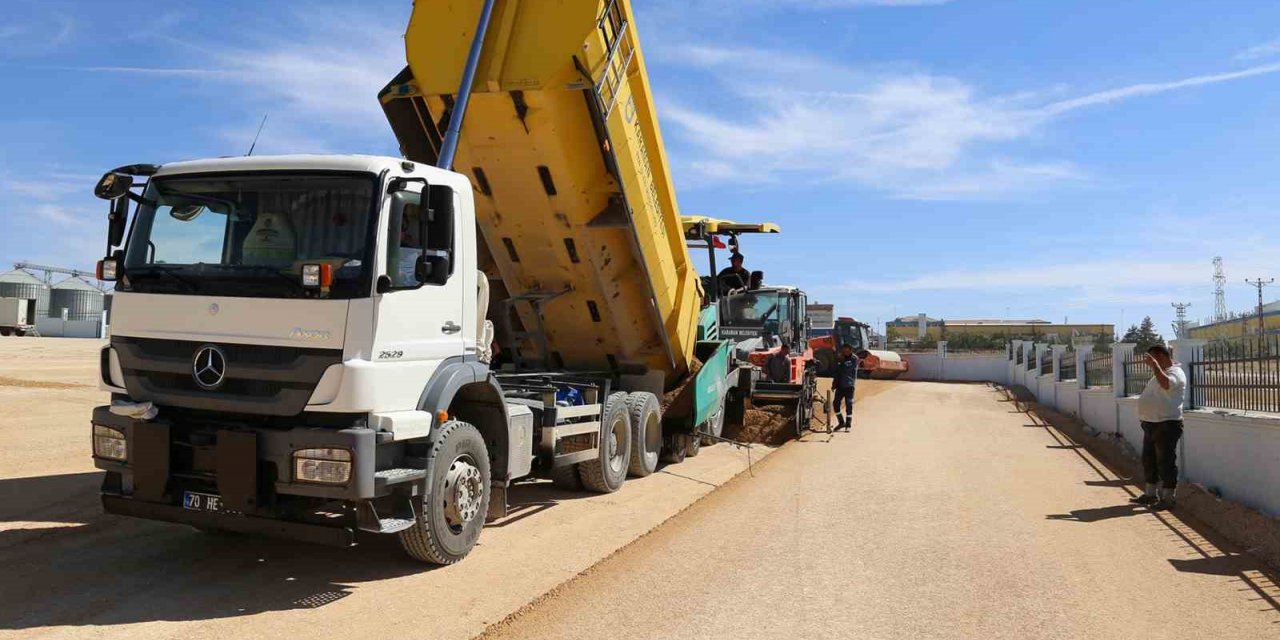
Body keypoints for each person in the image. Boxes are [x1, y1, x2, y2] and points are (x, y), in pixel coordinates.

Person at [1129, 344, 1187, 510]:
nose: (1149, 362)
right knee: (1149, 460)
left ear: (1161, 356)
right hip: (1151, 424)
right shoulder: (1159, 374)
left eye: (1152, 358)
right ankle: (1150, 494)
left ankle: (1168, 498)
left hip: (1167, 424)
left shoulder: (1176, 373)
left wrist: (1155, 366)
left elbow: (1167, 385)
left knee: (1165, 461)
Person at [832, 343, 859, 431]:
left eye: (847, 351)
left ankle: (848, 425)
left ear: (850, 350)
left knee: (849, 404)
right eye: (844, 350)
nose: (845, 352)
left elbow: (848, 368)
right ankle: (841, 422)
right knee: (835, 404)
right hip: (840, 386)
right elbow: (836, 372)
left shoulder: (854, 359)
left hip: (849, 386)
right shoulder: (840, 358)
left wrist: (842, 361)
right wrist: (834, 384)